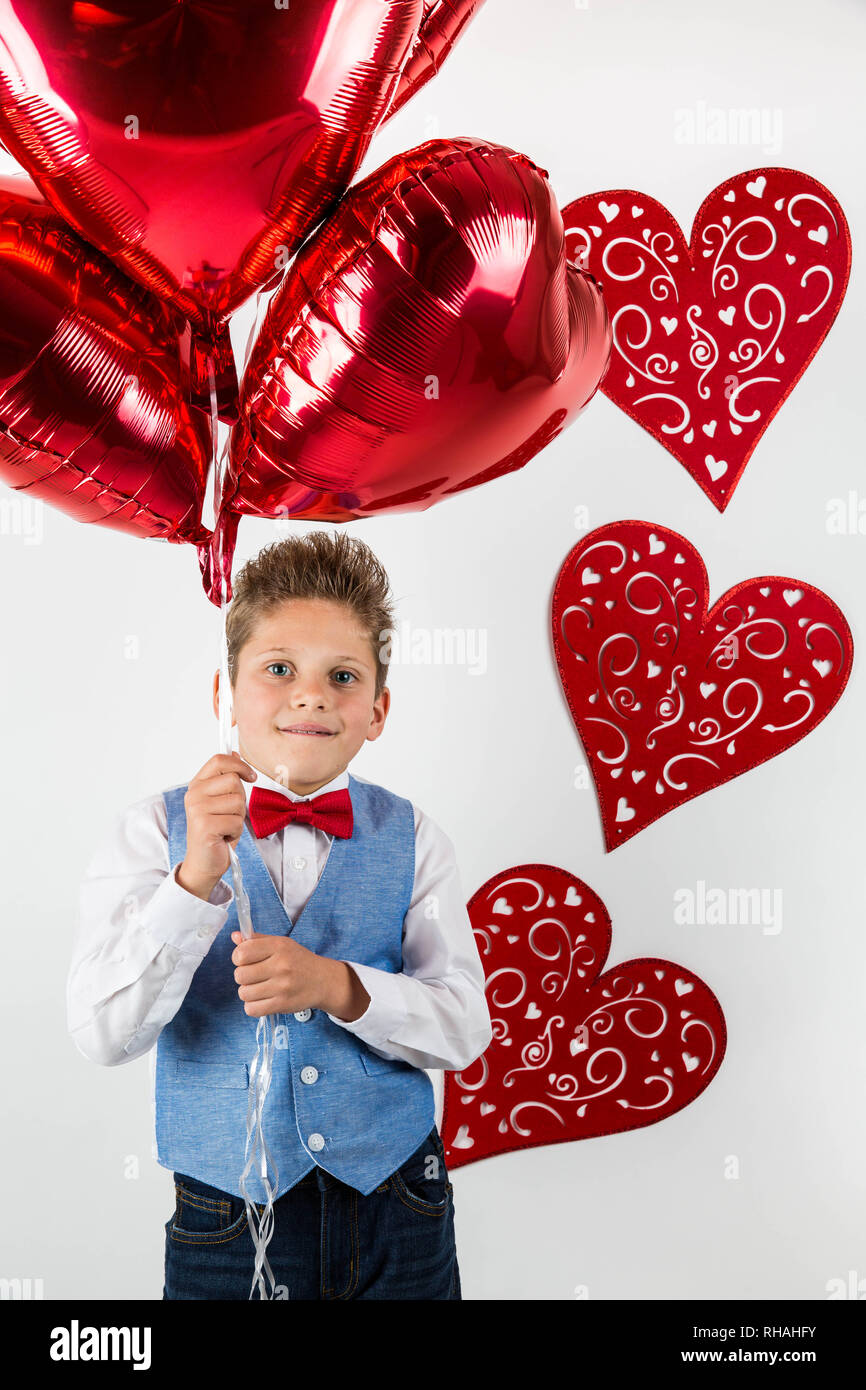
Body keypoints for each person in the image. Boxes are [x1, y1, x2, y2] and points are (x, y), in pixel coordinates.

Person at [68, 529, 492, 1300]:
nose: (311, 695)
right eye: (277, 670)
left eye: (342, 675)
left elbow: (464, 1027)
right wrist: (193, 878)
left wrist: (341, 987)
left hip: (399, 1202)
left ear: (379, 709)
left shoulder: (415, 837)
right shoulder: (148, 833)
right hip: (226, 1219)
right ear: (223, 695)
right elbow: (103, 1035)